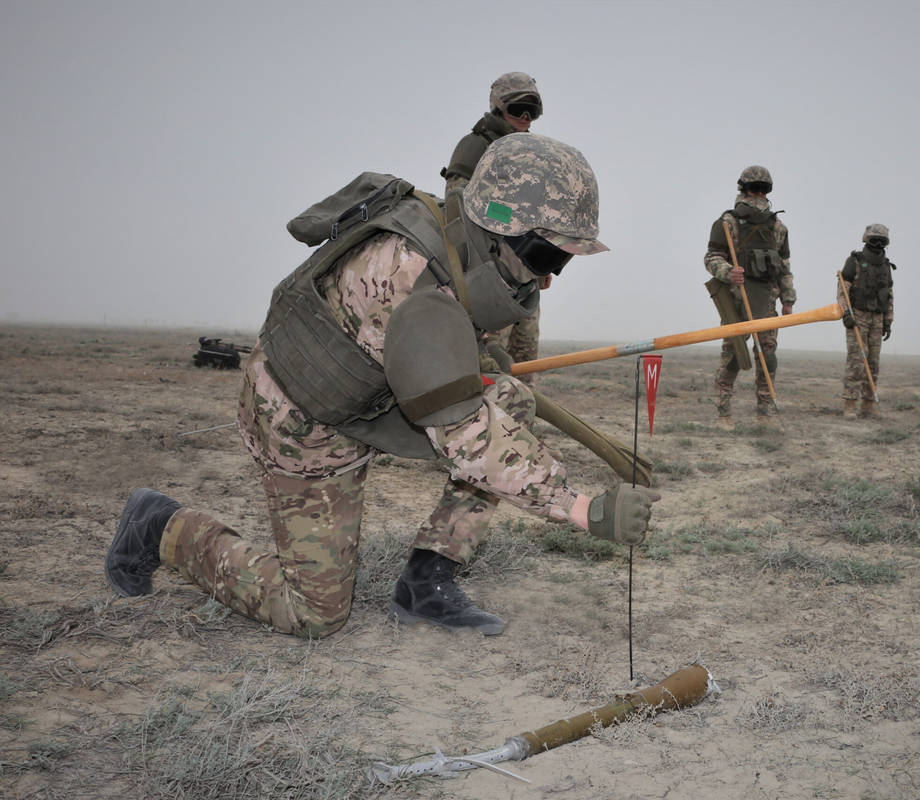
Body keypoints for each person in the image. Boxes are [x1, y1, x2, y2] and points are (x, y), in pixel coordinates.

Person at [105, 133, 661, 639]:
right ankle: (160, 526)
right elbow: (467, 438)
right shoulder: (405, 277)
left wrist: (477, 355)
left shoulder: (462, 239)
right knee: (314, 614)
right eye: (547, 254)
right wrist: (585, 509)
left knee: (508, 401)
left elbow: (446, 354)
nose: (548, 275)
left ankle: (427, 580)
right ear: (499, 221)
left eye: (563, 259)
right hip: (304, 422)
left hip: (373, 398)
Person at [443, 71, 545, 383]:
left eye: (533, 111)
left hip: (523, 276)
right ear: (499, 109)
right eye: (518, 110)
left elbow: (535, 211)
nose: (526, 118)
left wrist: (541, 260)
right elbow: (459, 205)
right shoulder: (475, 148)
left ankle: (520, 429)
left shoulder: (527, 154)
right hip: (486, 277)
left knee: (525, 371)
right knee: (490, 374)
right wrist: (513, 217)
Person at [703, 165, 795, 429]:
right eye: (753, 188)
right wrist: (728, 272)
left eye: (762, 189)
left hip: (767, 304)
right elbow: (711, 257)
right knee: (732, 358)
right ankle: (723, 413)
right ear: (743, 189)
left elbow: (784, 266)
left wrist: (788, 300)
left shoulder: (778, 228)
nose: (757, 194)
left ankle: (764, 413)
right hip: (736, 302)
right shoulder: (727, 222)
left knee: (768, 358)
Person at [838, 224, 896, 419]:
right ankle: (850, 403)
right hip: (858, 317)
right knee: (856, 361)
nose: (878, 244)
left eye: (882, 241)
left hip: (877, 319)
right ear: (866, 240)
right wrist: (846, 313)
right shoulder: (854, 261)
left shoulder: (886, 267)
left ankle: (868, 404)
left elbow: (889, 295)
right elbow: (842, 290)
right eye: (874, 240)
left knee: (873, 362)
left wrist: (888, 321)